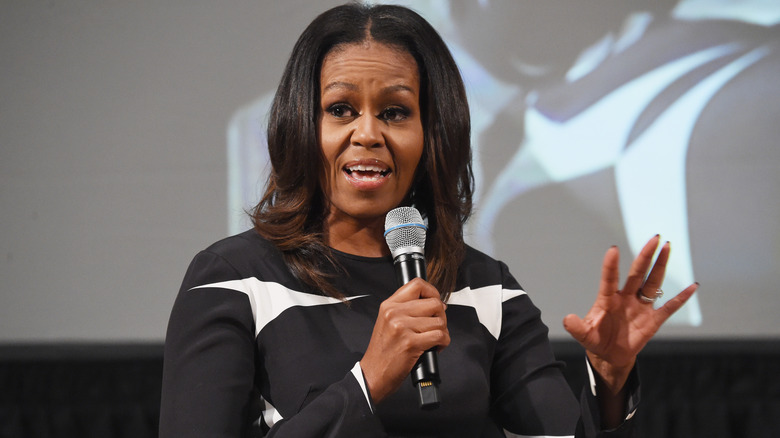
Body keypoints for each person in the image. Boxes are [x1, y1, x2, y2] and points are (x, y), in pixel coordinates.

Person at [159, 4, 697, 437]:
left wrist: (607, 378)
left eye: (395, 112)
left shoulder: (484, 287)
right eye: (341, 109)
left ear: (432, 134)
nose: (368, 134)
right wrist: (368, 381)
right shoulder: (232, 278)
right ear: (301, 126)